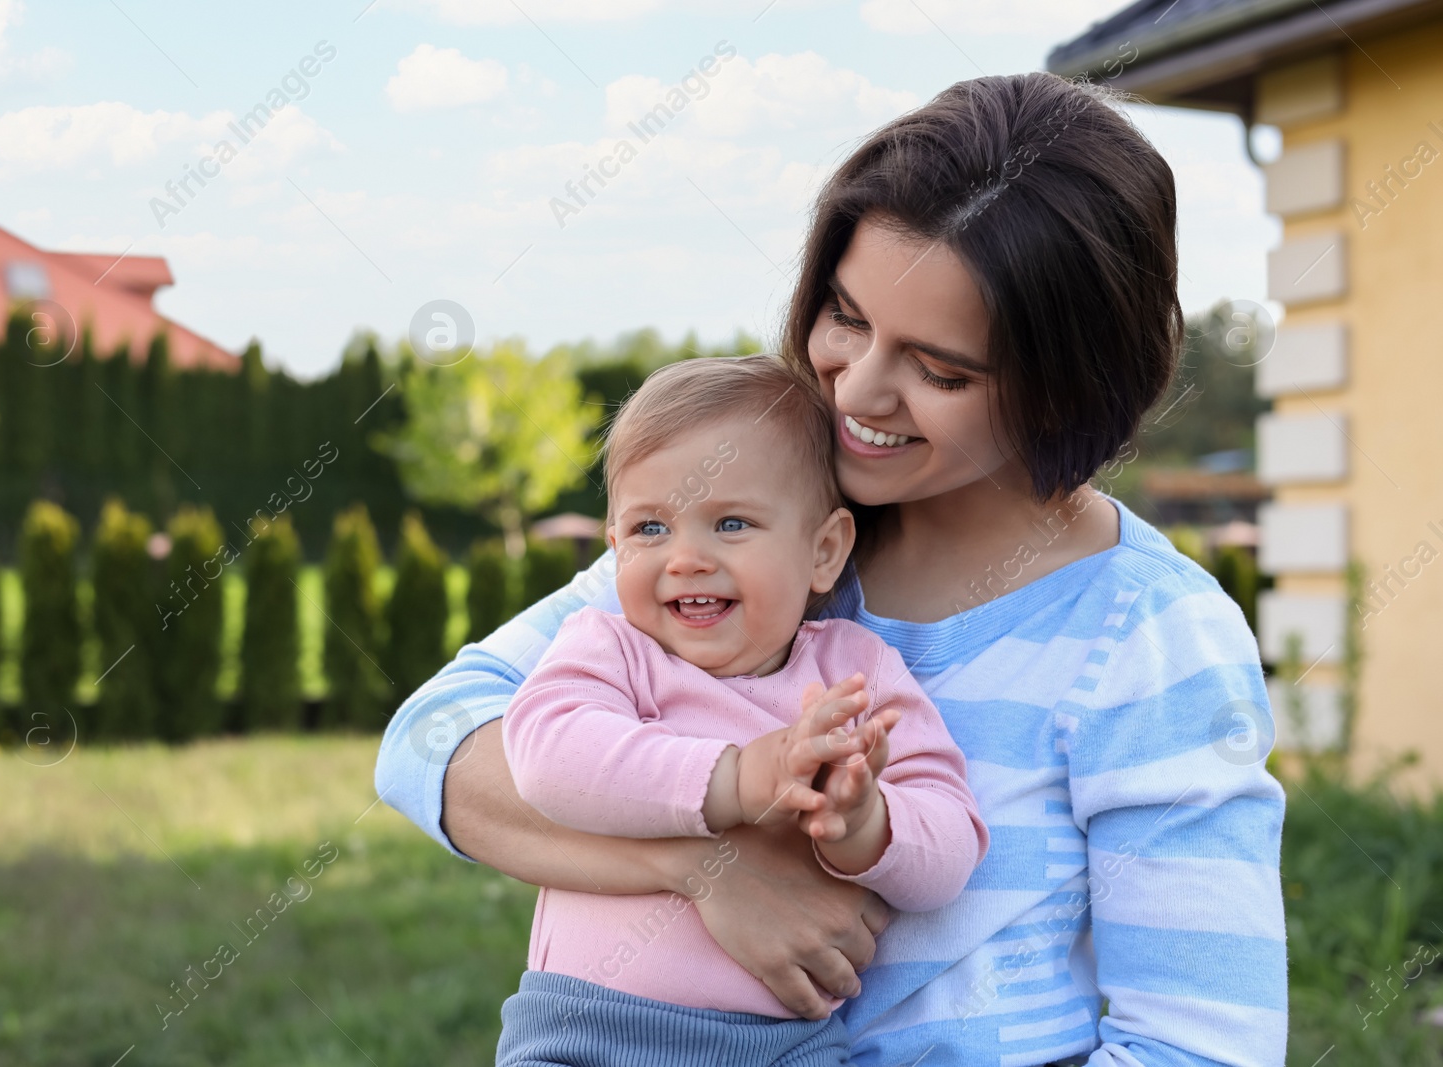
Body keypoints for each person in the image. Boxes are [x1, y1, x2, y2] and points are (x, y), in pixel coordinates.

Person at [375, 71, 1288, 1067]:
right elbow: (431, 744)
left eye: (939, 369)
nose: (856, 386)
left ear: (1069, 382)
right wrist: (705, 869)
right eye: (845, 316)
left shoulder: (1147, 634)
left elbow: (1199, 1045)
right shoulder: (737, 542)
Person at [494, 355, 988, 1066]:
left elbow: (951, 846)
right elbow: (547, 757)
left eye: (729, 522)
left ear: (823, 552)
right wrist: (739, 776)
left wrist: (865, 823)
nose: (686, 557)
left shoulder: (853, 674)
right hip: (582, 1031)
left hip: (782, 1045)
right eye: (649, 529)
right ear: (613, 548)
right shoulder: (611, 648)